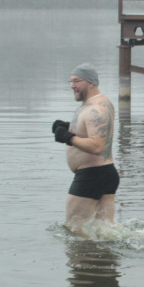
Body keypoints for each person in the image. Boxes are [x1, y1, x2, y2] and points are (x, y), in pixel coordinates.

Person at [52, 64, 119, 230]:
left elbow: (97, 145)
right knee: (105, 232)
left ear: (91, 82)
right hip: (103, 174)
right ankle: (105, 256)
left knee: (74, 230)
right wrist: (70, 128)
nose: (72, 85)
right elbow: (95, 131)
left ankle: (83, 256)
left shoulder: (96, 108)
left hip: (92, 176)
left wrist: (68, 137)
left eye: (76, 81)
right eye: (71, 81)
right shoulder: (98, 104)